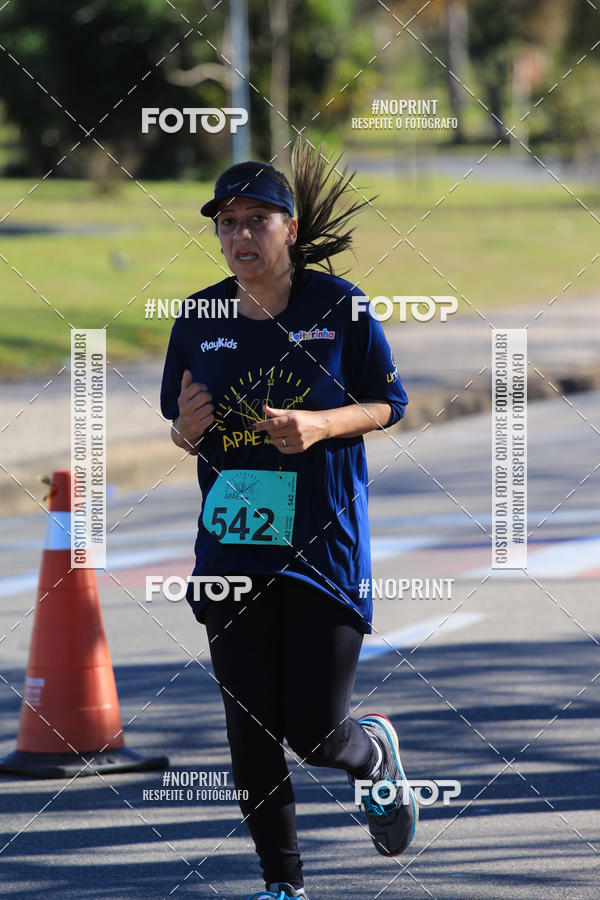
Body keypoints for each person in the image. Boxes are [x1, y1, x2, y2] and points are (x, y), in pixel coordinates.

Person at [160, 140, 418, 900]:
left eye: (258, 220)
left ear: (291, 228)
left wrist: (320, 425)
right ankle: (284, 886)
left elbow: (389, 405)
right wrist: (187, 430)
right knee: (250, 733)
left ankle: (371, 756)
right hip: (234, 545)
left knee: (312, 731)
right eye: (227, 223)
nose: (241, 235)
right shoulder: (198, 315)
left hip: (322, 545)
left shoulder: (340, 307)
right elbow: (180, 426)